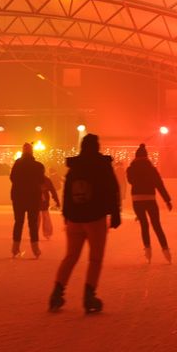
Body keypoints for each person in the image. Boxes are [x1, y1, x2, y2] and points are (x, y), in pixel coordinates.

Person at [49, 133, 120, 313]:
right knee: (95, 258)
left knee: (70, 256)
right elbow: (112, 189)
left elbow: (66, 193)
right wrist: (115, 213)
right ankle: (89, 296)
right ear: (97, 147)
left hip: (74, 219)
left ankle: (57, 293)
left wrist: (67, 214)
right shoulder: (102, 166)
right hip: (95, 218)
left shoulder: (74, 168)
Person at [125, 144, 172, 263]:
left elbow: (130, 181)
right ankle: (166, 250)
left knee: (144, 225)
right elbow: (159, 185)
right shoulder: (152, 169)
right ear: (146, 157)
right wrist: (167, 200)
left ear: (136, 156)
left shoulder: (131, 169)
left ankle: (148, 251)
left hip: (137, 200)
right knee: (156, 225)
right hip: (150, 199)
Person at [9, 143, 46, 258]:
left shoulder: (17, 164)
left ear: (23, 151)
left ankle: (15, 248)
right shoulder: (38, 166)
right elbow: (41, 180)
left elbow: (12, 178)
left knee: (18, 222)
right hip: (33, 197)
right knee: (33, 223)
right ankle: (35, 249)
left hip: (18, 197)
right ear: (32, 151)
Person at [38, 174, 60, 240]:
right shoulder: (46, 179)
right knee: (45, 216)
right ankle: (47, 233)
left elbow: (52, 190)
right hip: (42, 201)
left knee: (38, 217)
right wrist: (57, 201)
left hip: (40, 201)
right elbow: (53, 190)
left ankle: (35, 232)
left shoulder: (34, 178)